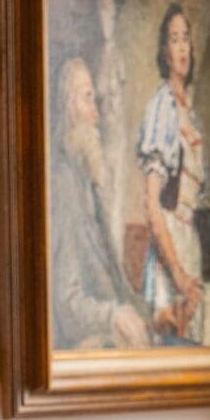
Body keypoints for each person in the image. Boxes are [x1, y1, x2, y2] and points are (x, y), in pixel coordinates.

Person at [48, 57, 149, 351]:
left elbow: (116, 287)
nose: (97, 114)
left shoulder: (87, 183)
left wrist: (152, 316)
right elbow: (67, 303)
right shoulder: (64, 183)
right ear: (68, 109)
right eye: (88, 99)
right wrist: (112, 316)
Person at [137, 4, 210, 345]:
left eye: (186, 39)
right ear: (164, 52)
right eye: (174, 39)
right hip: (170, 249)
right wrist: (178, 274)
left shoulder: (192, 116)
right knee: (177, 340)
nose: (182, 47)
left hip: (191, 244)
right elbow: (152, 204)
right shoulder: (162, 106)